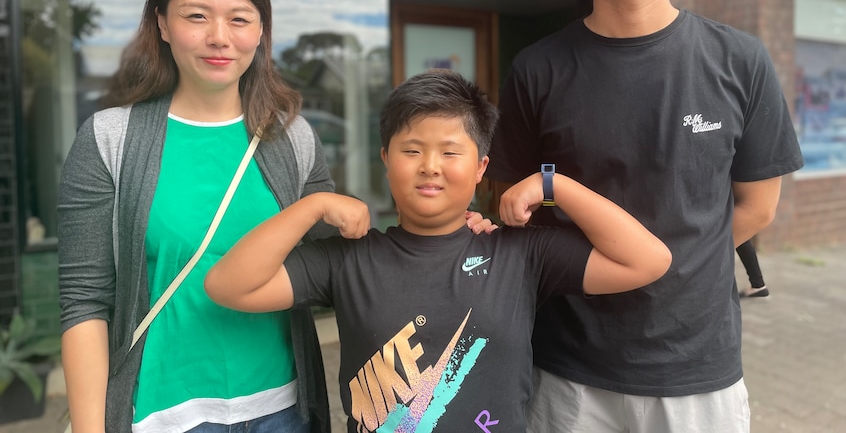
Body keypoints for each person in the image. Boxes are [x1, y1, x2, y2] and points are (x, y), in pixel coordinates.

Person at [485, 0, 805, 432]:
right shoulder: (538, 70)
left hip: (697, 368)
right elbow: (512, 201)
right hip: (569, 369)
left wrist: (682, 270)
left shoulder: (740, 61)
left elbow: (758, 205)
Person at [204, 69, 672, 432]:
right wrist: (312, 207)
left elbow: (647, 260)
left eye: (450, 152)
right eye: (411, 151)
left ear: (480, 168)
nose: (430, 167)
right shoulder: (348, 259)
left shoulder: (519, 254)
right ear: (385, 160)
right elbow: (228, 286)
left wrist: (556, 186)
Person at [58, 0, 337, 433]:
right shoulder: (108, 140)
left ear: (260, 32)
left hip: (282, 410)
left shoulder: (293, 140)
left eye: (239, 19)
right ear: (162, 25)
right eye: (197, 16)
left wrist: (451, 231)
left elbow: (335, 270)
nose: (219, 38)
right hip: (162, 415)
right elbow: (84, 301)